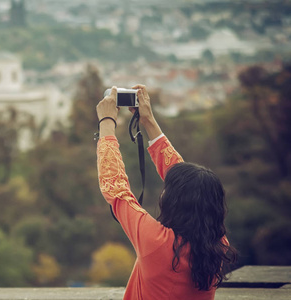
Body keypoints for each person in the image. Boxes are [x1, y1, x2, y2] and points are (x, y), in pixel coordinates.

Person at [96, 86, 236, 300]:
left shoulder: (156, 242)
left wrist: (107, 123)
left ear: (173, 201)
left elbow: (116, 189)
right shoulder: (218, 244)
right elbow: (185, 180)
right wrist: (149, 121)